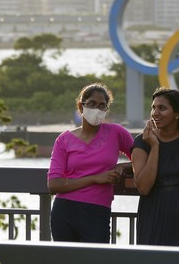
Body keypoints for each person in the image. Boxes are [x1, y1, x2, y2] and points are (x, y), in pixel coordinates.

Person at [47, 83, 134, 243]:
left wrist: (124, 166)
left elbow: (142, 158)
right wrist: (95, 178)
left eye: (102, 106)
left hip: (98, 211)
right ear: (81, 106)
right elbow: (54, 184)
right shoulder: (63, 140)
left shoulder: (116, 133)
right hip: (64, 211)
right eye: (92, 104)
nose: (97, 109)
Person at [131, 88, 179, 246]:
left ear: (178, 113)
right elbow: (143, 187)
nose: (155, 112)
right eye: (153, 107)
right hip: (154, 212)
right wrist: (155, 147)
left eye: (162, 108)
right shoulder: (143, 141)